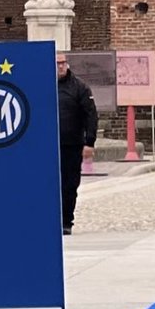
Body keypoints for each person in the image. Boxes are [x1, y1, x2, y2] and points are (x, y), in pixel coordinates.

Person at [56, 52, 98, 235]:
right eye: (57, 63)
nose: (60, 67)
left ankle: (66, 220)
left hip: (72, 144)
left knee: (70, 184)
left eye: (63, 63)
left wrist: (89, 142)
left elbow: (91, 115)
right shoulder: (42, 85)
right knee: (51, 184)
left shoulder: (79, 87)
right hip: (49, 146)